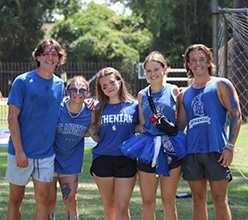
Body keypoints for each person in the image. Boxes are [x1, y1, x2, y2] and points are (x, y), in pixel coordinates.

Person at [177, 44, 242, 220]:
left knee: (220, 199)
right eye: (193, 61)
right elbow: (179, 127)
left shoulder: (221, 84)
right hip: (192, 153)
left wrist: (229, 147)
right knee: (197, 200)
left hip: (217, 151)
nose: (198, 64)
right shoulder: (184, 95)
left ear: (208, 61)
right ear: (188, 65)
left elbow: (236, 114)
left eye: (201, 59)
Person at [5, 38, 66, 220]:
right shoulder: (22, 81)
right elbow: (11, 118)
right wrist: (20, 151)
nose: (50, 57)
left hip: (46, 154)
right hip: (20, 152)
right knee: (16, 199)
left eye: (54, 54)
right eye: (45, 53)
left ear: (58, 59)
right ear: (38, 57)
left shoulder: (59, 85)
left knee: (44, 199)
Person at [121, 51, 186, 220]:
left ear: (164, 69)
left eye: (156, 69)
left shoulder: (174, 90)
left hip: (171, 147)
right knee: (148, 202)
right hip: (148, 148)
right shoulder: (142, 94)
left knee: (168, 201)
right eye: (148, 71)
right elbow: (143, 125)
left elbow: (179, 120)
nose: (152, 74)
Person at [89, 67, 139, 220]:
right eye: (104, 86)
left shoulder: (134, 106)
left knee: (122, 206)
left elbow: (141, 127)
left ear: (119, 81)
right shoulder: (98, 108)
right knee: (110, 206)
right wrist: (92, 116)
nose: (108, 88)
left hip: (126, 159)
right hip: (102, 159)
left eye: (111, 83)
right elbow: (96, 137)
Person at [49, 76, 93, 220]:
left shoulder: (90, 112)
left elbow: (92, 134)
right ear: (67, 91)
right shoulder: (57, 108)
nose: (78, 93)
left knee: (71, 201)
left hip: (70, 163)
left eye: (82, 90)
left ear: (88, 93)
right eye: (73, 89)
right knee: (48, 202)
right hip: (49, 161)